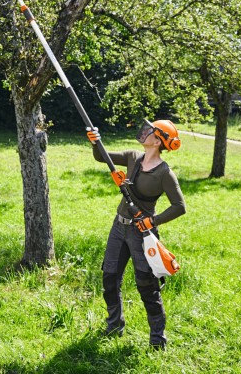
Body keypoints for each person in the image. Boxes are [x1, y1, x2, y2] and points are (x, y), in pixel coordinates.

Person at [86, 119, 186, 349]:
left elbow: (180, 206)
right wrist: (95, 142)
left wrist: (153, 220)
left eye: (151, 131)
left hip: (142, 234)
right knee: (110, 277)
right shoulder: (133, 157)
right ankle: (114, 325)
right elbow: (102, 157)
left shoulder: (164, 173)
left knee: (146, 286)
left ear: (158, 141)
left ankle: (157, 339)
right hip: (119, 227)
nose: (145, 131)